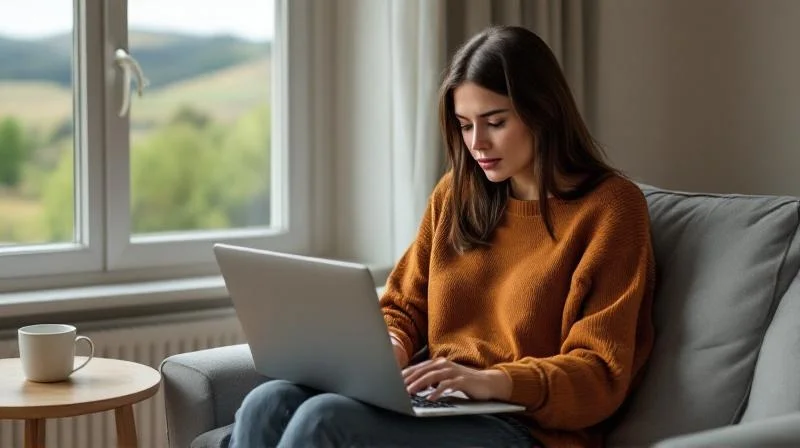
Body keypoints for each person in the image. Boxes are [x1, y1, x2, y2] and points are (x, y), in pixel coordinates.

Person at [229, 25, 655, 448]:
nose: (478, 143)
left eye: (495, 122)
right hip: (439, 402)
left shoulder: (611, 209)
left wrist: (492, 382)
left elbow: (600, 372)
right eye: (464, 125)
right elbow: (402, 305)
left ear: (543, 111)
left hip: (526, 428)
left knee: (326, 420)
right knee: (267, 402)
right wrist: (390, 348)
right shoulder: (456, 194)